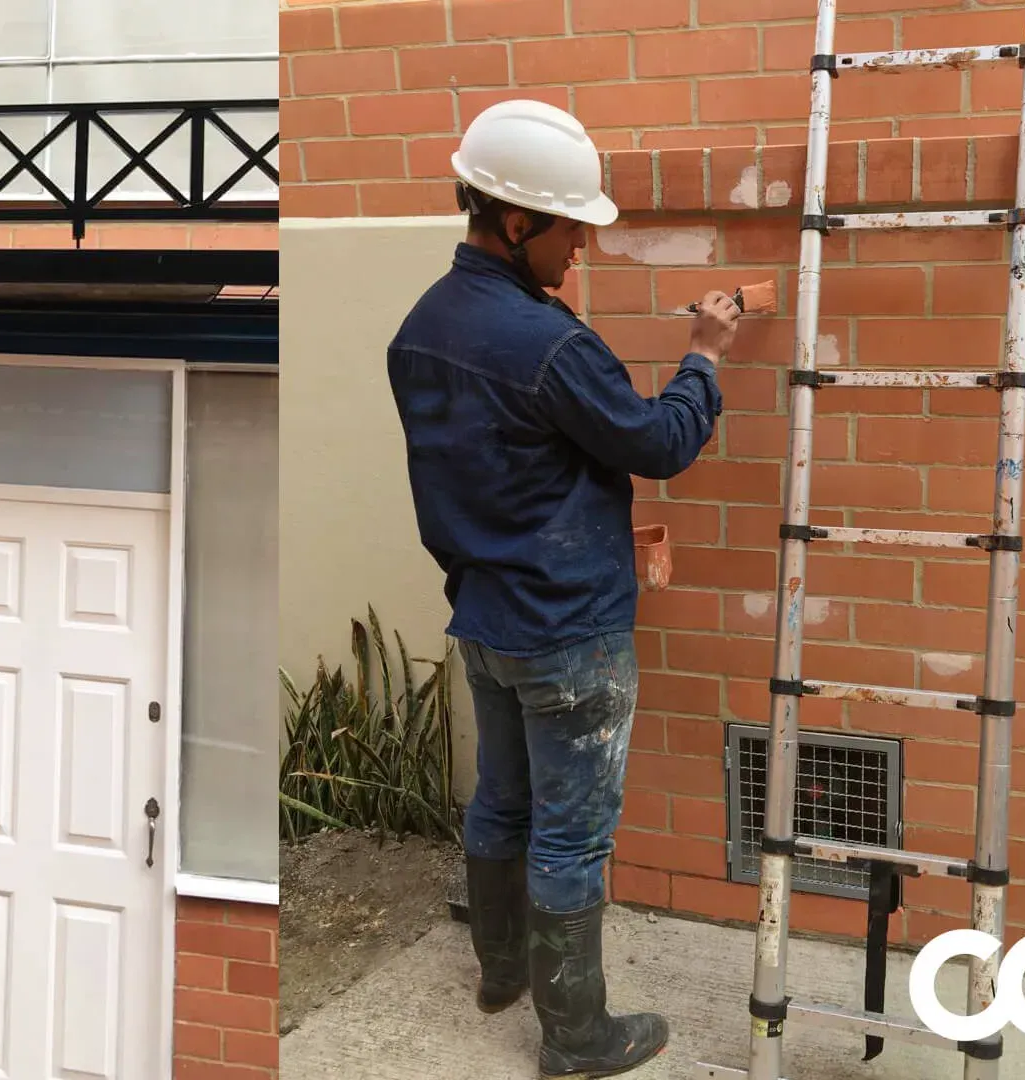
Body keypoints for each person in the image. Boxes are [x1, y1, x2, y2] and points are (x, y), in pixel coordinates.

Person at [386, 100, 741, 1078]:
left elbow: (499, 465)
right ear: (514, 222)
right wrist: (704, 357)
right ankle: (577, 1037)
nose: (582, 241)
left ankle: (502, 972)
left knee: (502, 801)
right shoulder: (548, 344)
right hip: (568, 634)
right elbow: (661, 442)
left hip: (486, 622)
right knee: (573, 835)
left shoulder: (423, 327)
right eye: (571, 224)